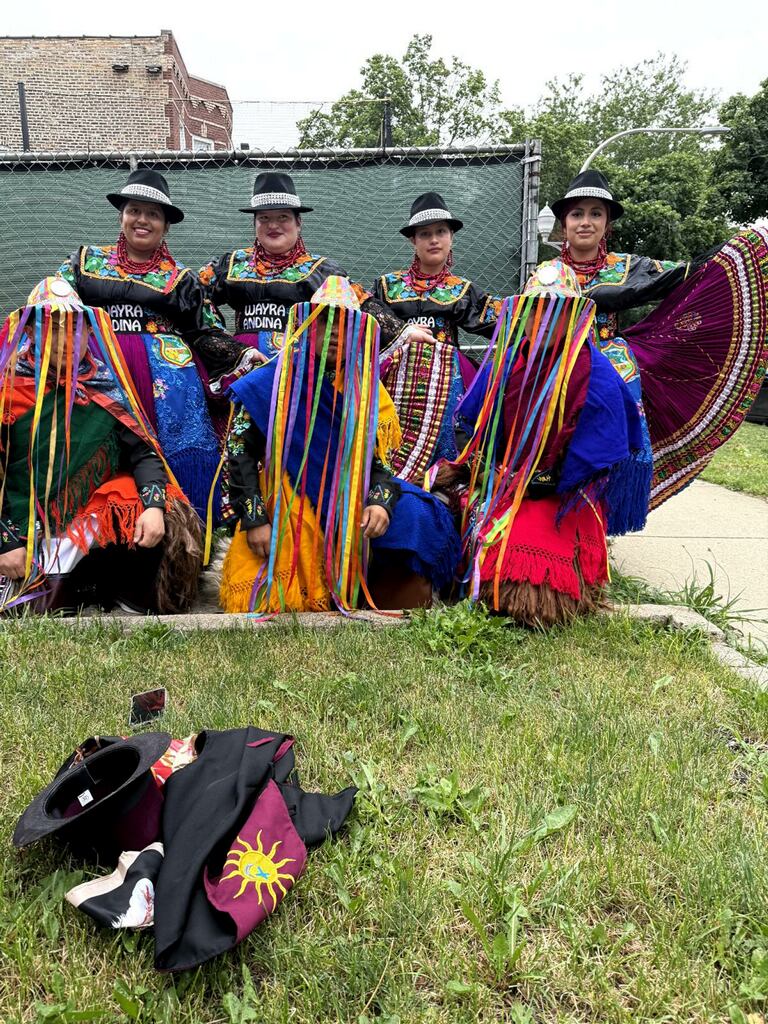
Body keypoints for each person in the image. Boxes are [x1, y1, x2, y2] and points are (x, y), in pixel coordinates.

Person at [219, 276, 460, 614]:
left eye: (344, 324)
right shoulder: (267, 383)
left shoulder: (365, 390)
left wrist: (379, 503)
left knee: (417, 514)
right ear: (306, 326)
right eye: (323, 321)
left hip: (351, 495)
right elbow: (239, 454)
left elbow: (379, 464)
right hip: (289, 496)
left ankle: (398, 605)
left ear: (357, 334)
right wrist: (256, 520)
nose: (333, 332)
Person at [439, 262, 645, 627]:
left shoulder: (595, 375)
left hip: (563, 493)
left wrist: (537, 483)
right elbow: (472, 423)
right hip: (501, 482)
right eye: (537, 309)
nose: (545, 319)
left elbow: (597, 454)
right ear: (523, 313)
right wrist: (489, 470)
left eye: (557, 310)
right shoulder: (504, 363)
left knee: (531, 588)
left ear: (574, 316)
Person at [552, 169, 768, 510]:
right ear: (564, 223)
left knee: (611, 443)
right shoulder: (547, 274)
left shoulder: (629, 266)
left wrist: (740, 249)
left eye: (596, 213)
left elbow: (688, 274)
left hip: (612, 362)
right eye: (577, 213)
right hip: (559, 368)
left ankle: (597, 519)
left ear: (607, 225)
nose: (585, 222)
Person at [0, 278, 203, 615]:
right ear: (32, 333)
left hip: (80, 517)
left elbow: (143, 452)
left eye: (75, 328)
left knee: (151, 506)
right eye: (53, 328)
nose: (66, 340)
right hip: (18, 526)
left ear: (90, 334)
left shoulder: (104, 384)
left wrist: (153, 508)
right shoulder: (8, 390)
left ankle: (110, 593)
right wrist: (5, 542)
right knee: (32, 612)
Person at [55, 168, 247, 519]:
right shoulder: (84, 263)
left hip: (168, 392)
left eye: (153, 214)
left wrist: (246, 359)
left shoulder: (181, 280)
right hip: (98, 384)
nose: (142, 220)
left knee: (176, 470)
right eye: (134, 210)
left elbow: (206, 332)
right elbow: (53, 311)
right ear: (122, 216)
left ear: (165, 225)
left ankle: (183, 548)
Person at [198, 172, 432, 364]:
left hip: (300, 367)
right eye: (264, 218)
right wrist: (228, 346)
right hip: (245, 363)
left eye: (282, 217)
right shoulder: (229, 265)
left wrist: (402, 331)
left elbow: (361, 302)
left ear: (298, 222)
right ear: (254, 223)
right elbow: (196, 298)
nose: (273, 225)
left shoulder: (321, 270)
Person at [371, 192, 503, 483]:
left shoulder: (462, 289)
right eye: (425, 234)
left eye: (441, 232)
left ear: (451, 237)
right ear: (413, 241)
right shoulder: (385, 285)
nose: (434, 240)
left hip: (447, 376)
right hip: (396, 375)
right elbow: (373, 329)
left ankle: (448, 477)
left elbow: (500, 320)